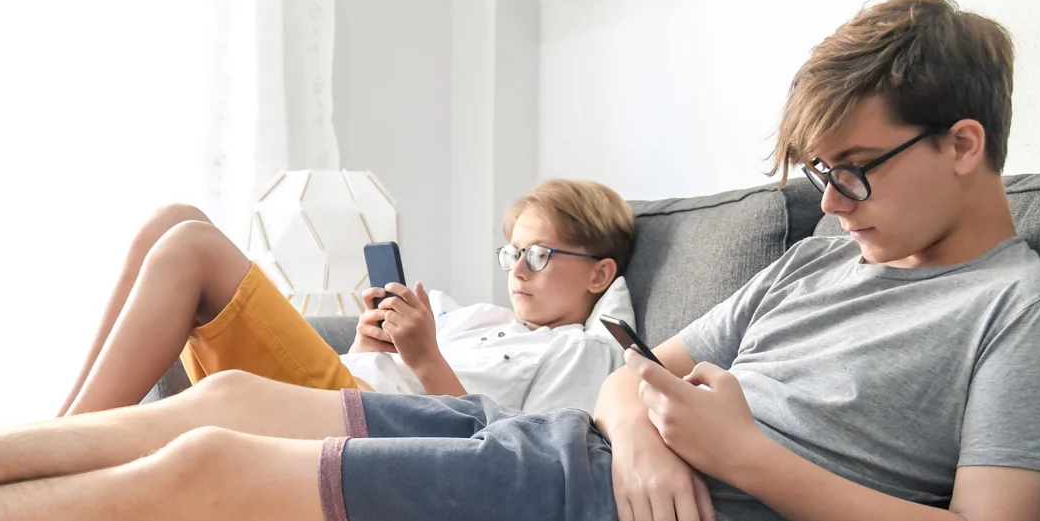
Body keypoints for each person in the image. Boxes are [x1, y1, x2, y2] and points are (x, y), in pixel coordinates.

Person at [0, 0, 1040, 521]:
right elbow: (632, 374)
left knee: (209, 470)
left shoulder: (1032, 312)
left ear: (965, 144)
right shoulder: (816, 261)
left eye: (854, 170)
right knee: (222, 394)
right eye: (820, 175)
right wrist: (655, 441)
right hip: (580, 451)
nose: (835, 200)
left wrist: (740, 457)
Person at [56, 178, 636, 419]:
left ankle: (59, 444)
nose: (519, 270)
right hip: (341, 384)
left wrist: (426, 359)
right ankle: (62, 429)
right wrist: (369, 342)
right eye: (512, 253)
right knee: (174, 219)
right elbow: (386, 366)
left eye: (539, 255)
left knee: (193, 246)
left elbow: (529, 460)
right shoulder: (482, 317)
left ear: (598, 275)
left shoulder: (583, 354)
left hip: (364, 424)